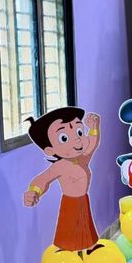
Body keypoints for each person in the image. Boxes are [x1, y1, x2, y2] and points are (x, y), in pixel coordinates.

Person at [23, 107, 101, 253]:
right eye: (64, 138)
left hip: (83, 200)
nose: (77, 139)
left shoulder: (82, 159)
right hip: (70, 203)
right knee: (70, 230)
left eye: (79, 132)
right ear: (50, 150)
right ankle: (67, 252)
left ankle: (90, 248)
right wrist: (34, 191)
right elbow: (43, 179)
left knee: (86, 226)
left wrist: (94, 128)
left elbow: (92, 144)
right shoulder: (60, 166)